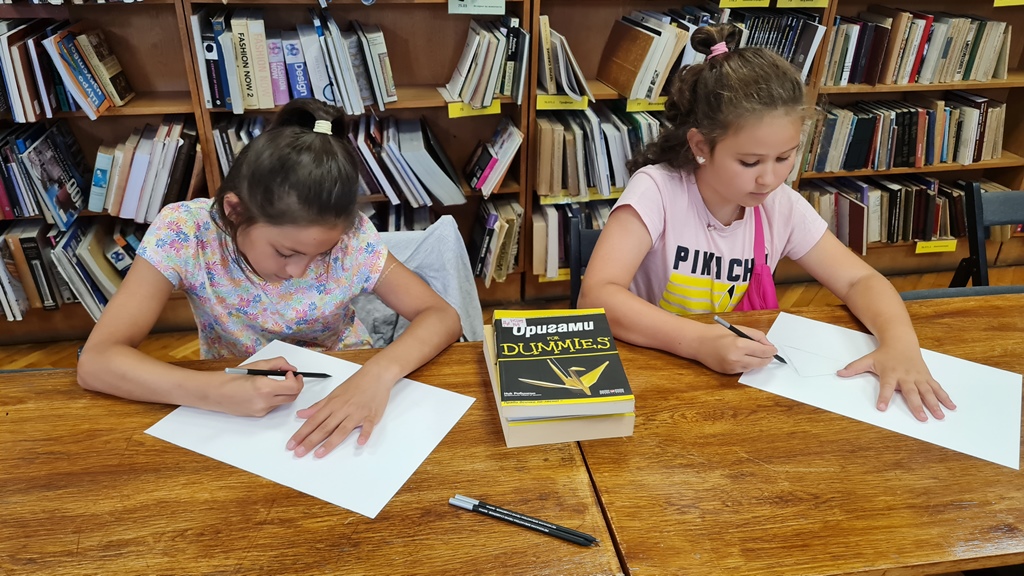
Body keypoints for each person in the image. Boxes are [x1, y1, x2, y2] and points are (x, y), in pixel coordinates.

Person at [579, 24, 955, 422]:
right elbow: (597, 296)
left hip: (741, 382)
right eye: (749, 162)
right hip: (652, 373)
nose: (769, 179)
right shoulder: (657, 190)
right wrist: (699, 341)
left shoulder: (781, 206)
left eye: (784, 158)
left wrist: (900, 343)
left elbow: (859, 280)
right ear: (701, 145)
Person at [78, 99, 462, 457]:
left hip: (343, 379)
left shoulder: (354, 239)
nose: (299, 271)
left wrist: (377, 375)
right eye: (286, 252)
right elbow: (97, 362)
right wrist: (215, 391)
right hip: (235, 395)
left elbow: (441, 315)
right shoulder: (185, 233)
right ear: (235, 211)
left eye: (321, 254)